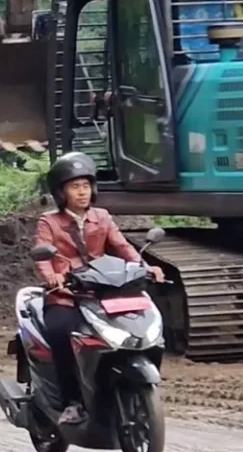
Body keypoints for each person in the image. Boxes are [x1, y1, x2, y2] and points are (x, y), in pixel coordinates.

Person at [34, 152, 164, 425]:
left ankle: (125, 384)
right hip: (67, 295)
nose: (82, 192)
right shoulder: (49, 221)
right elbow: (42, 256)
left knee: (135, 323)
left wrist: (145, 266)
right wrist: (52, 277)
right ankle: (72, 402)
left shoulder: (102, 217)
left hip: (102, 291)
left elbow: (123, 247)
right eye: (74, 187)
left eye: (85, 185)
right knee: (60, 332)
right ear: (61, 192)